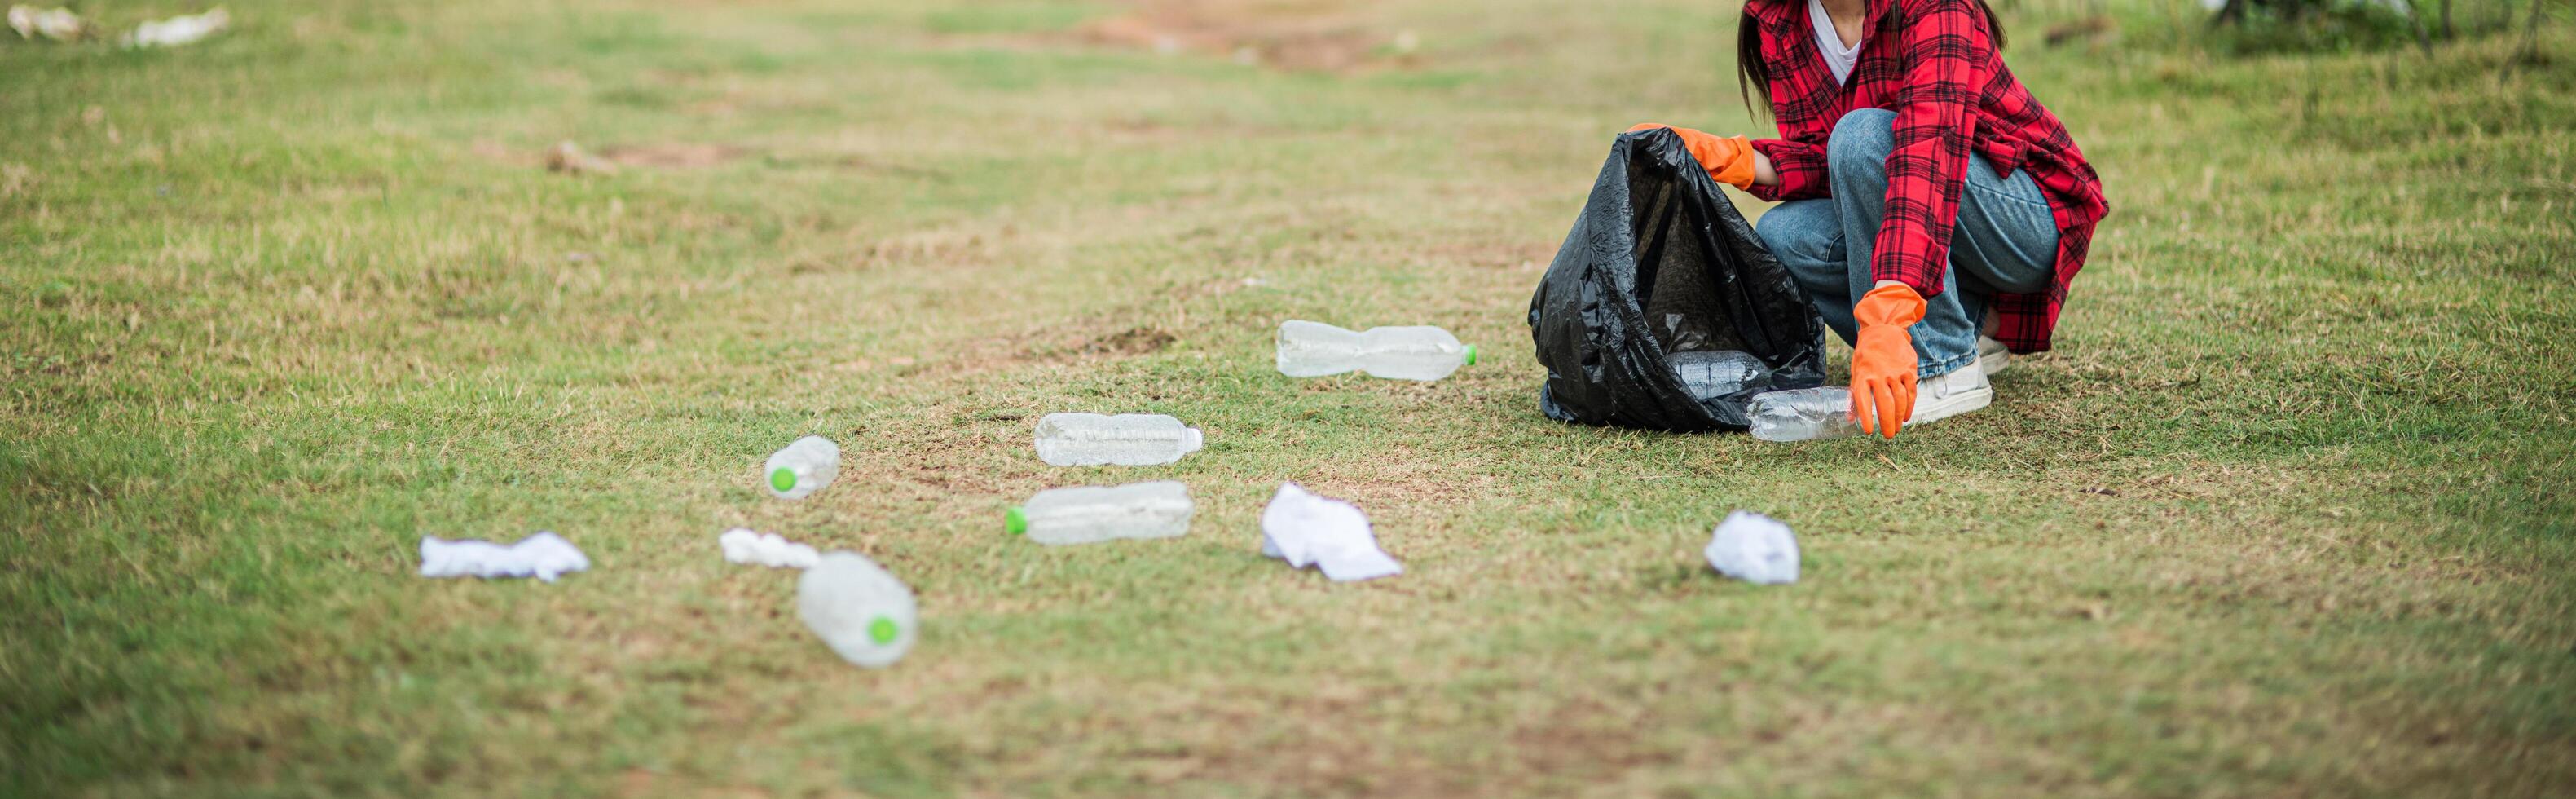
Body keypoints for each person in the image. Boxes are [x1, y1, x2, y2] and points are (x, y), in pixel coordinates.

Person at [1631, 0, 2107, 439]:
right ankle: (1973, 327)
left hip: (2027, 217)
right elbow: (1835, 163)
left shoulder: (1935, 7)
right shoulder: (1781, 17)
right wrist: (1732, 158)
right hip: (1926, 201)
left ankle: (1943, 365)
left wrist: (1888, 314)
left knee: (1862, 136)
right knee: (1783, 234)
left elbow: (1927, 157)